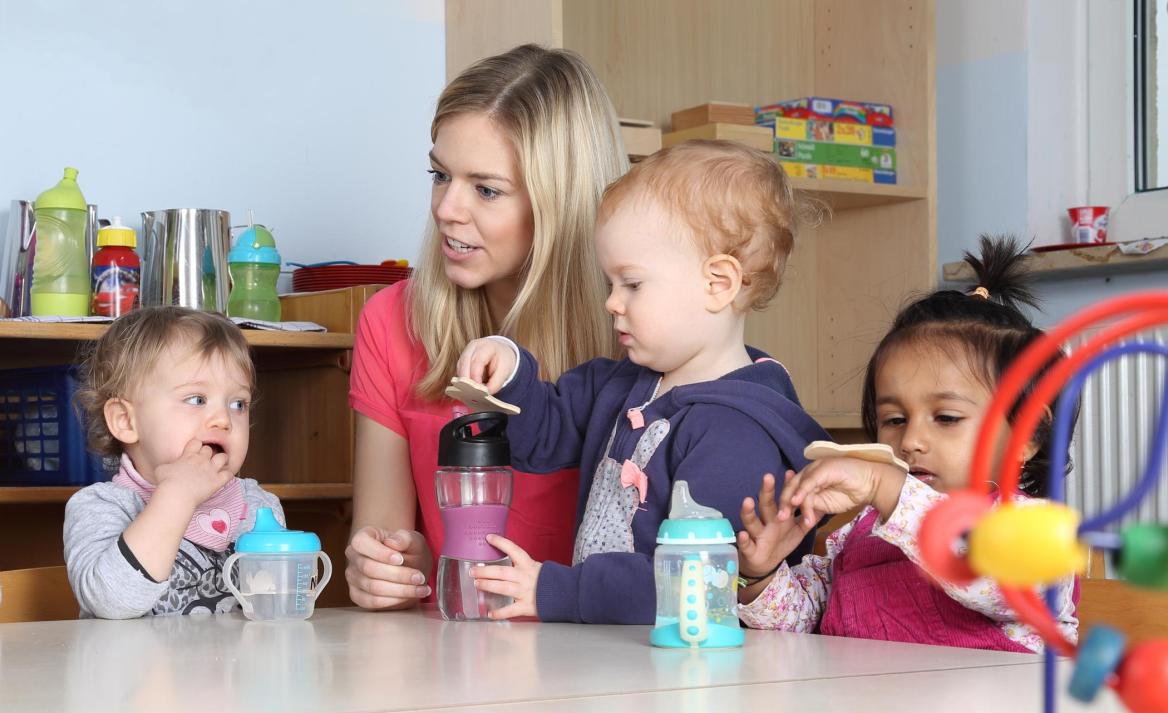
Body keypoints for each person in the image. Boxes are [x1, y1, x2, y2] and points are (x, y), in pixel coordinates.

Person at [458, 140, 827, 623]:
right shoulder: (618, 383)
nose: (612, 302)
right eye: (611, 283)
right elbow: (541, 437)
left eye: (632, 284)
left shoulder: (736, 432)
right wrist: (509, 371)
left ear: (717, 283)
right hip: (614, 650)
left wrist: (561, 590)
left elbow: (696, 581)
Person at [345, 44, 629, 610]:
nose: (447, 208)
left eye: (486, 189)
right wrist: (388, 569)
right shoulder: (391, 322)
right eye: (440, 174)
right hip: (454, 663)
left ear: (560, 204)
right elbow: (385, 541)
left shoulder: (637, 333)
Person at [736, 235, 1079, 652]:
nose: (911, 441)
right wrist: (762, 574)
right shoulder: (863, 533)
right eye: (894, 419)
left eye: (947, 418)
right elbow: (806, 624)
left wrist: (889, 489)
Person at [65, 306, 284, 618]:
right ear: (126, 421)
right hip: (132, 667)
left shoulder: (259, 506)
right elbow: (111, 602)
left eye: (238, 403)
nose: (223, 419)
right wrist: (177, 495)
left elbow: (276, 614)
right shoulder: (100, 507)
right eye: (196, 399)